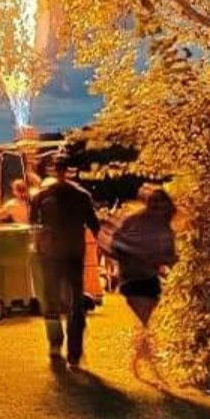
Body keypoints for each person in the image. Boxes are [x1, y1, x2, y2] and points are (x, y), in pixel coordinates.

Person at [29, 153, 101, 368]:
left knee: (52, 301)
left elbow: (34, 226)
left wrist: (39, 244)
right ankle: (74, 354)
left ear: (53, 170)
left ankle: (55, 344)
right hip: (72, 252)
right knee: (75, 303)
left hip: (53, 254)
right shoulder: (81, 196)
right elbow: (95, 226)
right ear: (70, 171)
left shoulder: (42, 196)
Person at [106, 187, 178, 378]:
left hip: (150, 278)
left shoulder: (164, 226)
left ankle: (139, 357)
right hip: (131, 277)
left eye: (159, 202)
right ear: (147, 202)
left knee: (145, 322)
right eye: (152, 201)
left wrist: (169, 262)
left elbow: (169, 255)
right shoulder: (133, 221)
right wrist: (132, 255)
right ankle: (149, 363)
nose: (155, 205)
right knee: (144, 318)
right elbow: (116, 244)